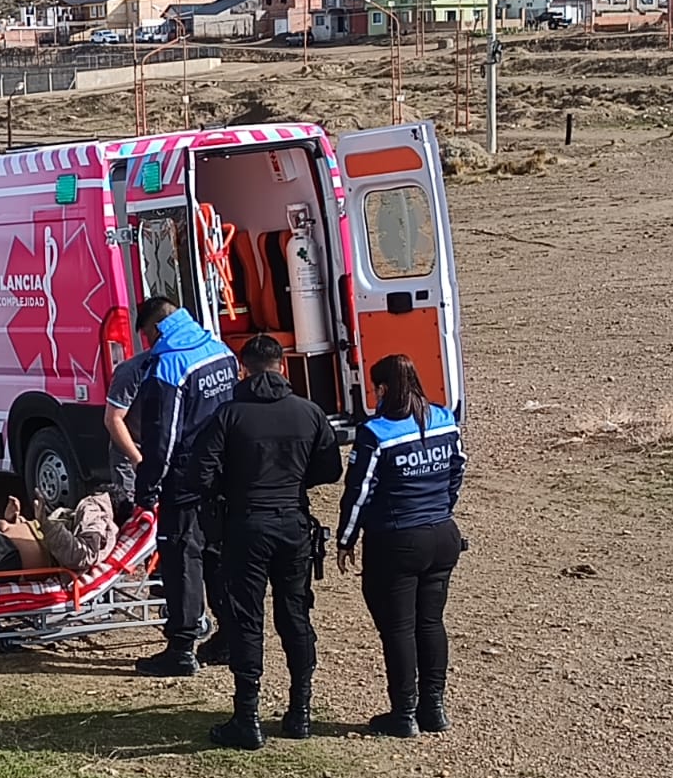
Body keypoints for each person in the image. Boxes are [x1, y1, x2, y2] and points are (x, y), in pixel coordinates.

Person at [184, 335, 342, 749]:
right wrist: (293, 480)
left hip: (246, 525)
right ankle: (300, 713)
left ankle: (247, 718)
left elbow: (199, 474)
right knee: (295, 613)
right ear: (283, 366)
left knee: (246, 618)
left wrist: (230, 488)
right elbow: (330, 468)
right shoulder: (309, 413)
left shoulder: (228, 415)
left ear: (243, 369)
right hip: (293, 524)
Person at [335, 354, 467, 737]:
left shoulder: (377, 432)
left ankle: (404, 712)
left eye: (376, 388)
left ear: (385, 389)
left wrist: (347, 538)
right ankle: (434, 708)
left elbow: (359, 491)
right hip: (442, 533)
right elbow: (457, 469)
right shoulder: (444, 419)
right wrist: (441, 507)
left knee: (398, 629)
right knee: (430, 622)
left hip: (396, 540)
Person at [131, 296, 239, 677]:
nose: (146, 342)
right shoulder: (220, 350)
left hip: (185, 478)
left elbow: (163, 436)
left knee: (180, 559)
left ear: (155, 328)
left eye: (145, 335)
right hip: (224, 474)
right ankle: (229, 635)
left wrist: (147, 488)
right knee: (217, 555)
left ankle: (181, 647)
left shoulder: (169, 364)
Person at [104, 344, 153, 511]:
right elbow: (112, 419)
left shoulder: (173, 364)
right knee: (130, 512)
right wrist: (137, 460)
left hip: (158, 450)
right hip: (131, 451)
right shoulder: (131, 370)